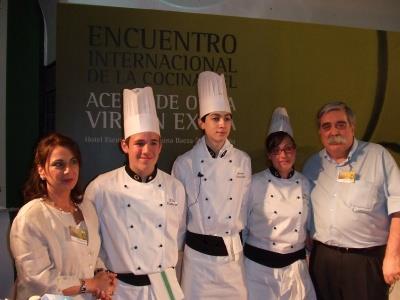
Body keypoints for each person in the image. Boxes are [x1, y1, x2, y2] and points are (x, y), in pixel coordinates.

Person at [85, 87, 186, 299]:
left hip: (165, 287)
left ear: (161, 146)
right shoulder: (101, 187)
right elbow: (90, 243)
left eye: (153, 143)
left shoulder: (174, 187)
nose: (147, 150)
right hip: (120, 289)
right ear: (125, 145)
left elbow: (178, 237)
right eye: (139, 143)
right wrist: (99, 272)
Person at [303, 101, 400, 299]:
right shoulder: (313, 164)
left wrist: (392, 256)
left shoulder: (377, 156)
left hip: (365, 261)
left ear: (352, 127)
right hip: (323, 260)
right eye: (326, 126)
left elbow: (398, 208)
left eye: (340, 124)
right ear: (320, 132)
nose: (333, 131)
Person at [172, 71, 251, 299]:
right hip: (197, 261)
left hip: (232, 262)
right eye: (215, 118)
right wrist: (176, 260)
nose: (222, 124)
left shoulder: (242, 161)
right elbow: (178, 218)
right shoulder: (184, 163)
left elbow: (245, 208)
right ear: (201, 122)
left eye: (227, 118)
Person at [10, 133, 115, 300]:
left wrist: (102, 276)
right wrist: (92, 284)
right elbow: (39, 280)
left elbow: (91, 256)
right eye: (59, 164)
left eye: (73, 162)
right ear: (41, 171)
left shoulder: (86, 208)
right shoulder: (31, 217)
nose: (69, 170)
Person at [244, 107, 316, 300]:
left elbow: (310, 226)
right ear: (269, 155)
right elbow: (241, 227)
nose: (283, 155)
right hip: (257, 270)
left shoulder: (306, 184)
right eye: (276, 150)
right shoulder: (254, 183)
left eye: (288, 149)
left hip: (295, 269)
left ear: (295, 151)